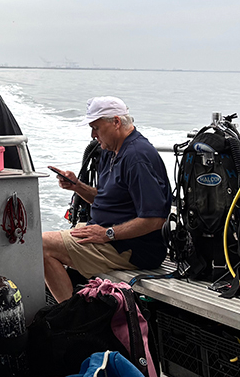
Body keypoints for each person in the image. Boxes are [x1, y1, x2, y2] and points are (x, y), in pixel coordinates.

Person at [42, 96, 171, 303]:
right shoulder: (110, 152)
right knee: (42, 242)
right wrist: (77, 186)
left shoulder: (137, 157)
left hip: (132, 248)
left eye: (96, 128)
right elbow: (108, 201)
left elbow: (155, 219)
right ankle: (72, 310)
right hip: (110, 237)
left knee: (41, 245)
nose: (93, 135)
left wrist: (107, 234)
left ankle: (71, 317)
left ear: (116, 122)